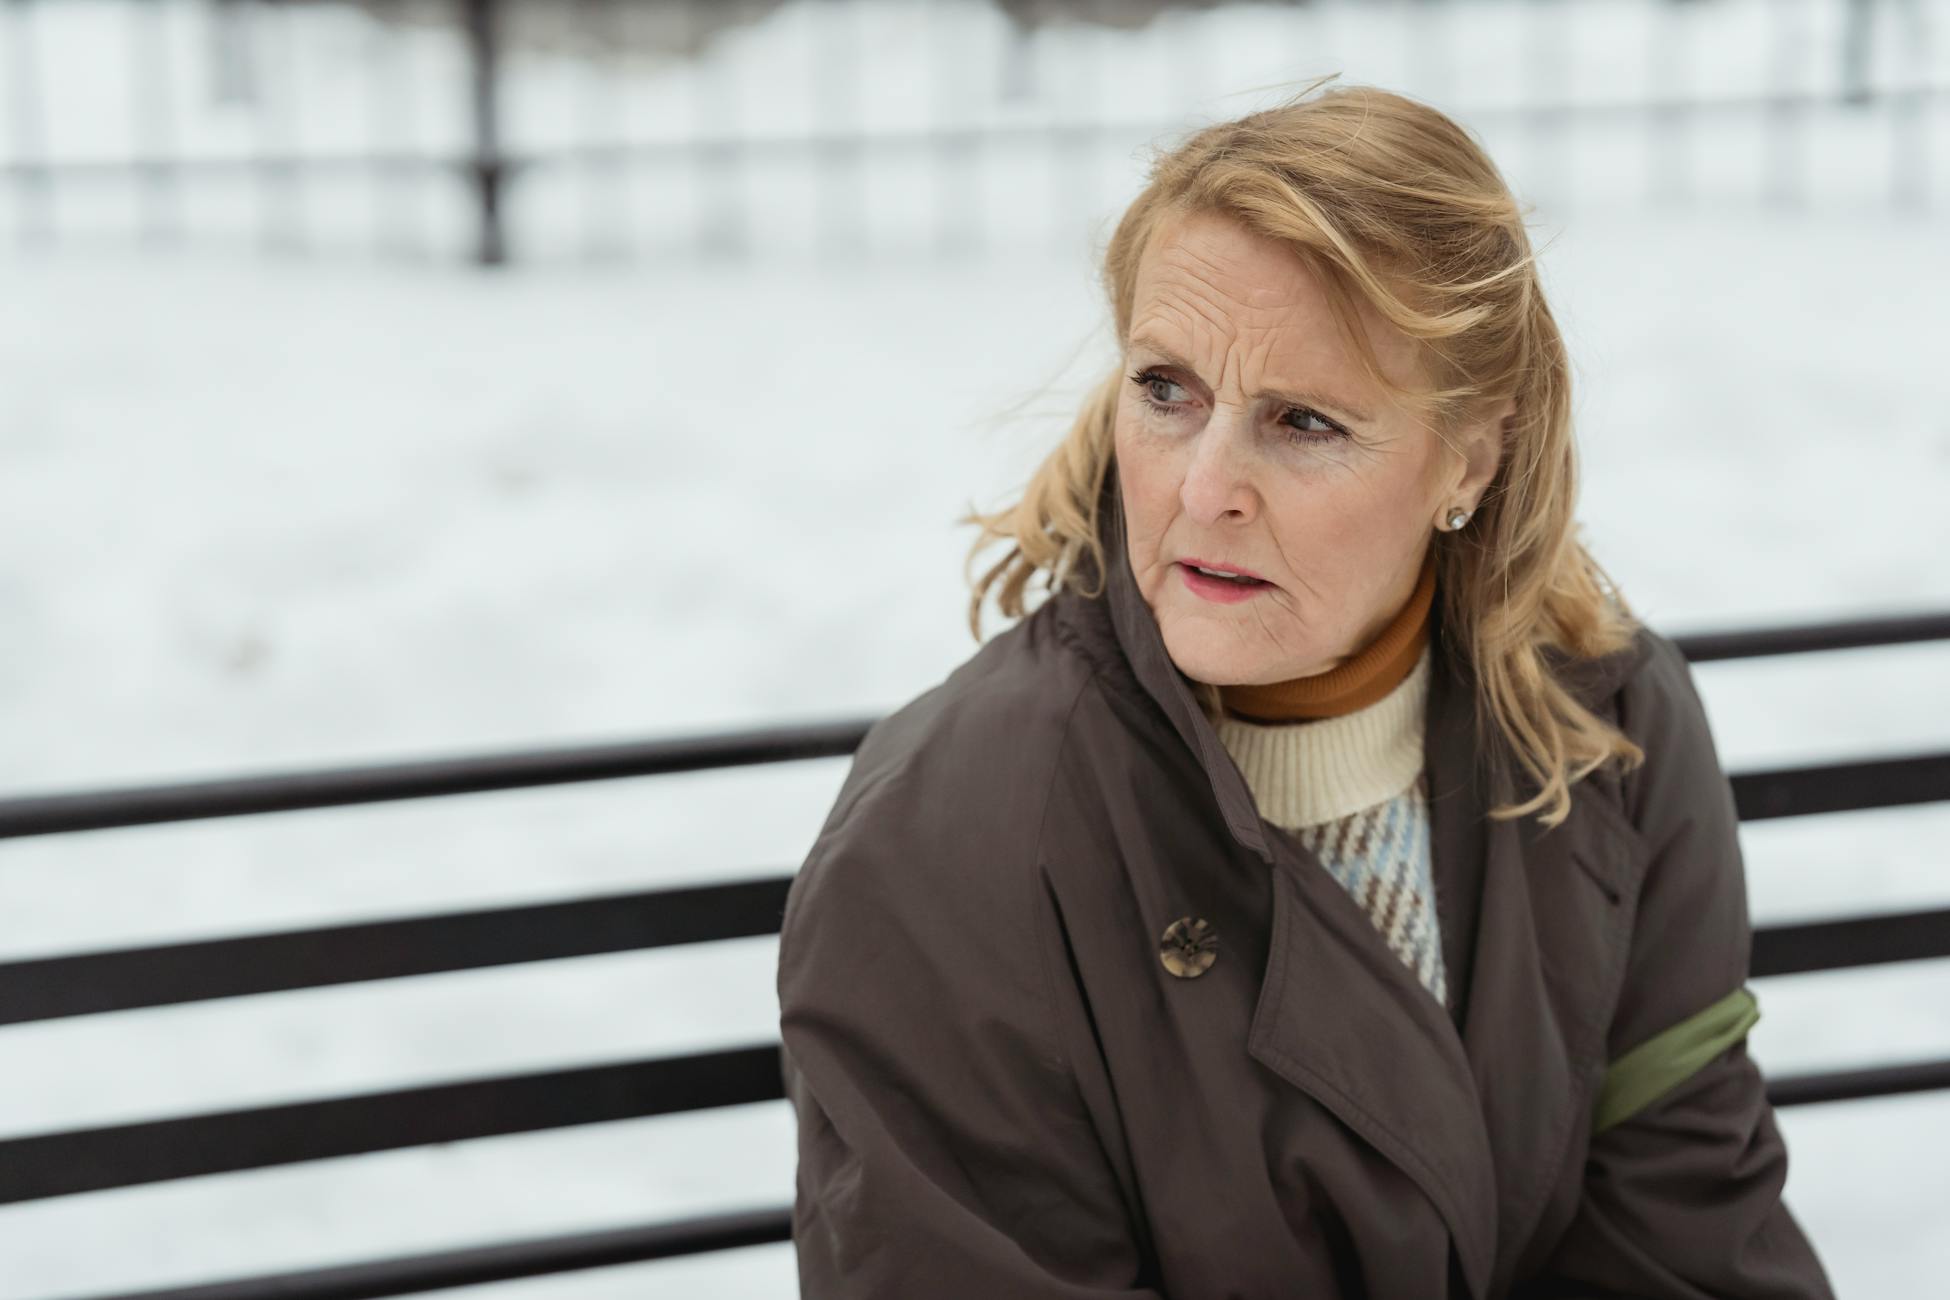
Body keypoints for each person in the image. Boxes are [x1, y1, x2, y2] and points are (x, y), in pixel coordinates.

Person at [775, 77, 1837, 1299]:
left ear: (1471, 459)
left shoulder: (1603, 724)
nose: (1202, 487)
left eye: (1304, 421)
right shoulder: (949, 840)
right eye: (1165, 389)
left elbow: (1687, 1241)